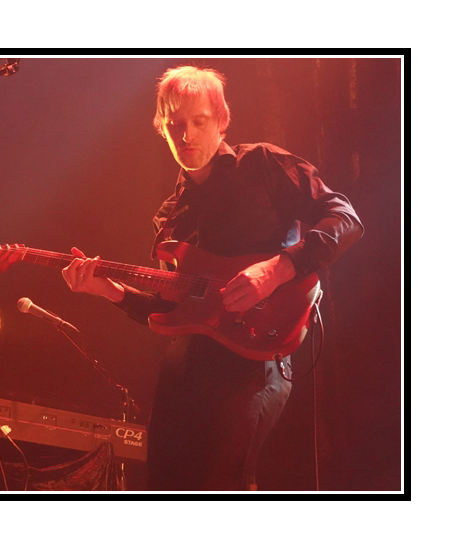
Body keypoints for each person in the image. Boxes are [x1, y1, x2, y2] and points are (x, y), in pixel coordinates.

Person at [61, 66, 363, 490]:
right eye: (175, 125)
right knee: (165, 486)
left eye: (198, 121)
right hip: (186, 368)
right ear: (161, 128)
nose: (185, 135)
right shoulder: (169, 217)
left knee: (221, 483)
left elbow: (345, 219)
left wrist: (278, 268)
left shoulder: (262, 164)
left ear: (221, 120)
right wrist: (108, 290)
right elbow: (173, 307)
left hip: (255, 359)